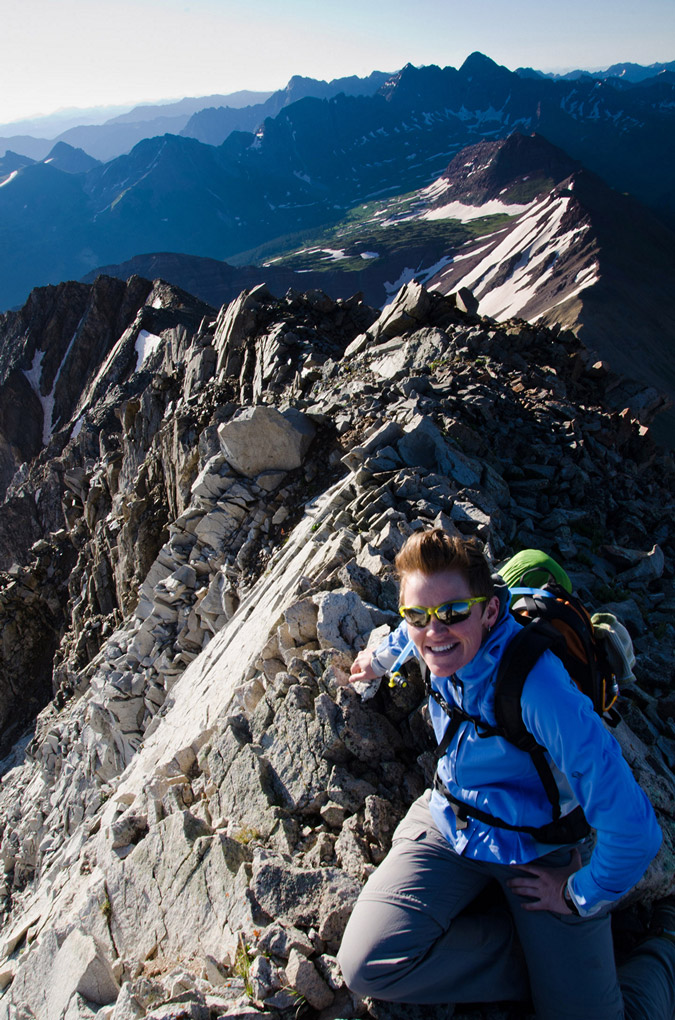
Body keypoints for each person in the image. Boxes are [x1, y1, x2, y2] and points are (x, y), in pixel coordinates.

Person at [338, 529, 675, 1019]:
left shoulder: (540, 689)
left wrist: (578, 894)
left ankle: (662, 944)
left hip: (538, 850)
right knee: (368, 965)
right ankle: (550, 966)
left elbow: (635, 832)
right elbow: (417, 631)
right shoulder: (434, 634)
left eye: (454, 613)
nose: (434, 630)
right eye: (418, 615)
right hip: (450, 820)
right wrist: (380, 656)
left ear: (490, 611)